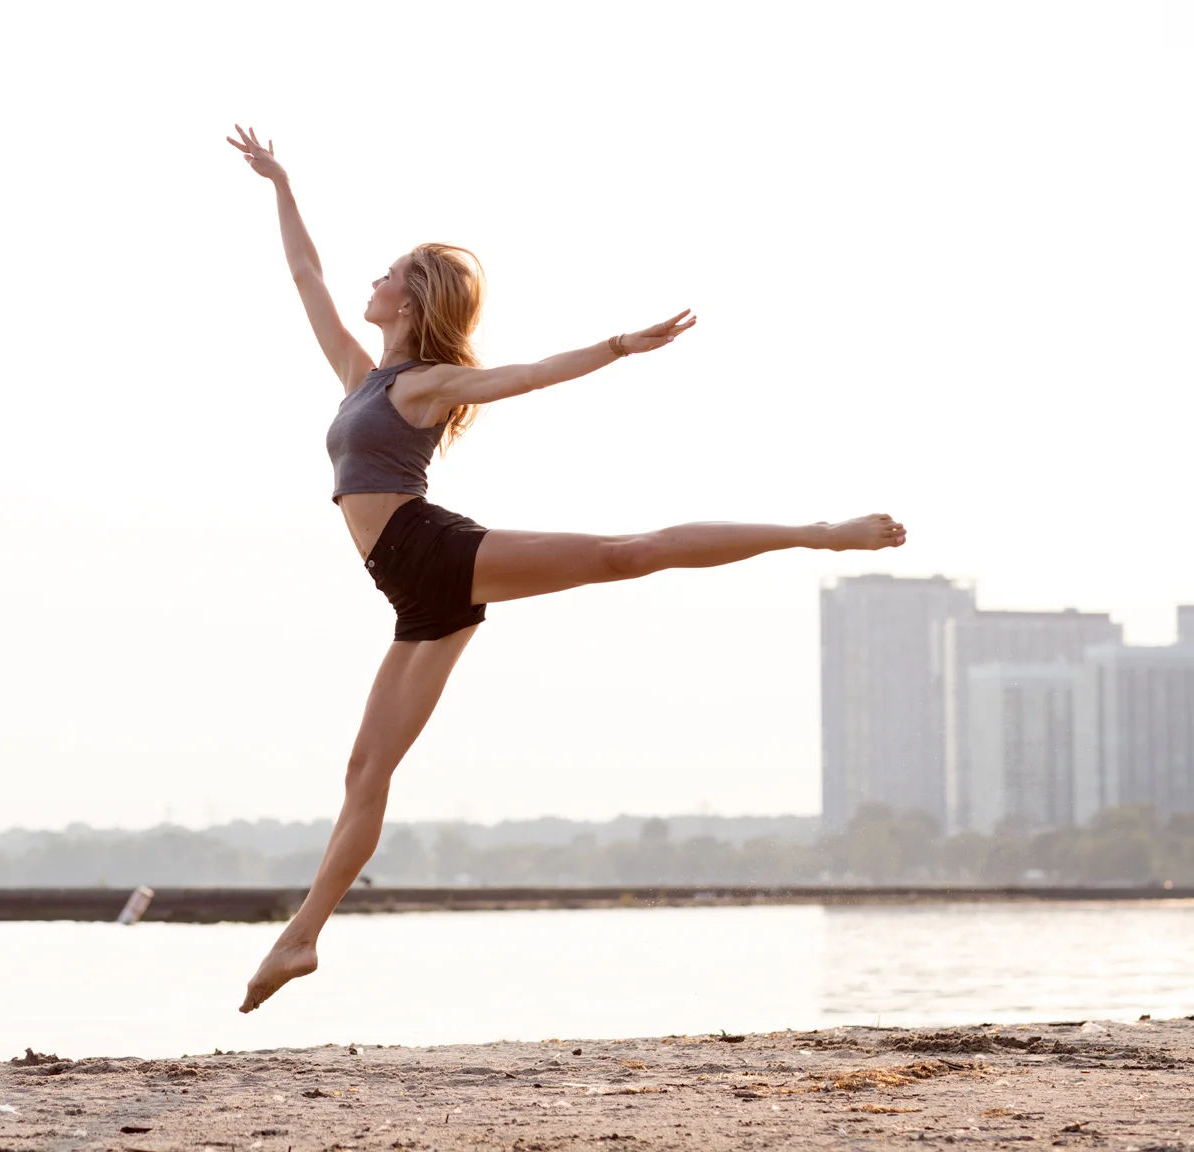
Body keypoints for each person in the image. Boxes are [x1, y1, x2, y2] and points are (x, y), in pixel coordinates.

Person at [225, 125, 907, 1013]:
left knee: (625, 555)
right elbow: (305, 277)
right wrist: (280, 183)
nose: (371, 281)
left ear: (411, 296)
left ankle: (823, 532)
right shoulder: (360, 376)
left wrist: (620, 345)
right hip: (411, 592)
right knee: (366, 774)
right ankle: (304, 937)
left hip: (432, 549)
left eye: (386, 272)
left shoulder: (422, 385)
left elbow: (531, 374)